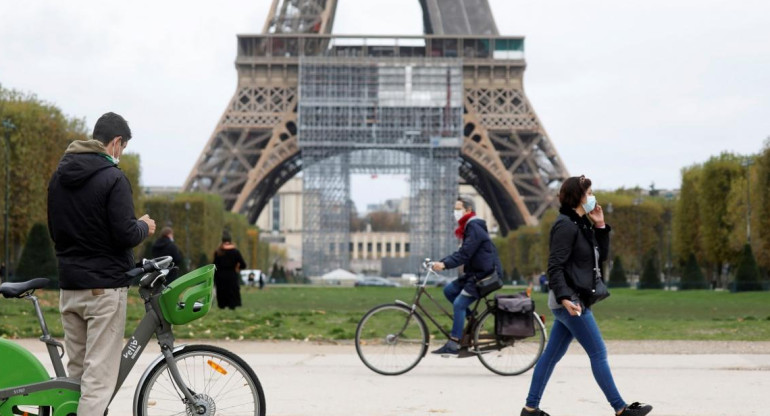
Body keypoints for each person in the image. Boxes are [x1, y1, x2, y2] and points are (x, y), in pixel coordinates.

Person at [47, 112, 156, 416]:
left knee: (76, 378)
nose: (120, 155)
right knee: (97, 384)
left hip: (69, 288)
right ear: (116, 142)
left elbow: (55, 231)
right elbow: (124, 234)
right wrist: (143, 227)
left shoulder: (59, 176)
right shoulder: (114, 178)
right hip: (103, 290)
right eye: (122, 148)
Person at [521, 175, 652, 416]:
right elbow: (555, 266)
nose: (593, 197)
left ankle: (530, 409)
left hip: (573, 299)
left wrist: (600, 226)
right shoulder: (565, 225)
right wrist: (565, 298)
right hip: (571, 301)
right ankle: (621, 409)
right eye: (589, 193)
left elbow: (598, 258)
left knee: (551, 356)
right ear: (579, 197)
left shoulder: (581, 224)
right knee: (598, 353)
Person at [430, 196, 502, 355]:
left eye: (458, 209)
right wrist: (442, 262)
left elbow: (465, 254)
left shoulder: (474, 227)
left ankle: (454, 343)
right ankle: (474, 321)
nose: (455, 212)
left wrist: (445, 264)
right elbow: (463, 253)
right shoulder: (470, 226)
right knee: (449, 290)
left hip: (483, 276)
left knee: (459, 304)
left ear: (468, 210)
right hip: (474, 273)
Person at [213, 231, 246, 309]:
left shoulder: (218, 252)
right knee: (232, 293)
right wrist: (237, 268)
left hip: (220, 276)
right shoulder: (235, 252)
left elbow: (214, 265)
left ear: (222, 241)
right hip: (232, 275)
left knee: (222, 292)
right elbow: (243, 264)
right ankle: (232, 306)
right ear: (231, 241)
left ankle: (222, 306)